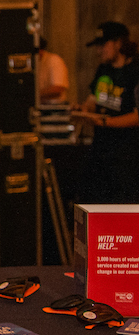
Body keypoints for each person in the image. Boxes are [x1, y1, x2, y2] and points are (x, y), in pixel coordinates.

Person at [71, 20, 139, 204]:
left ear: (118, 43)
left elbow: (137, 116)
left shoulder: (134, 72)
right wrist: (83, 110)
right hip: (101, 147)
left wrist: (105, 122)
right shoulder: (104, 69)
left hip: (126, 152)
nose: (99, 51)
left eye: (103, 45)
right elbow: (94, 100)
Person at [36, 36, 70, 104]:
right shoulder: (35, 63)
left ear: (41, 49)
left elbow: (58, 89)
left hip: (54, 108)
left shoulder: (54, 60)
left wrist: (34, 95)